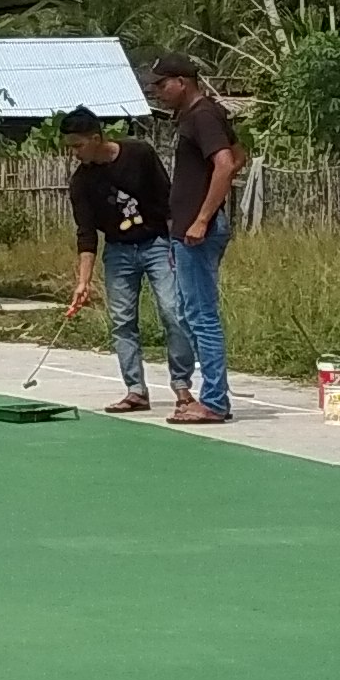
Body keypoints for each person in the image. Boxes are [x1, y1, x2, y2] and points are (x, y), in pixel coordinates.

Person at [57, 107, 182, 416]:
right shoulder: (81, 182)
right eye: (69, 147)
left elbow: (167, 201)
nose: (74, 153)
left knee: (172, 312)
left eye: (78, 145)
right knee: (123, 321)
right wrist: (83, 282)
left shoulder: (139, 154)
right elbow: (86, 235)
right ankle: (135, 391)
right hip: (119, 251)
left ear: (96, 138)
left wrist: (175, 250)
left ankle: (182, 387)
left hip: (156, 244)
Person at [144, 56, 242, 424]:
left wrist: (203, 216)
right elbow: (239, 154)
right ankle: (210, 394)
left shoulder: (202, 116)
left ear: (182, 82)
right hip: (185, 228)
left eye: (162, 84)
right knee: (187, 311)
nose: (158, 92)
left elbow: (225, 163)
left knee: (201, 315)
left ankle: (215, 400)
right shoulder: (202, 116)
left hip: (196, 230)